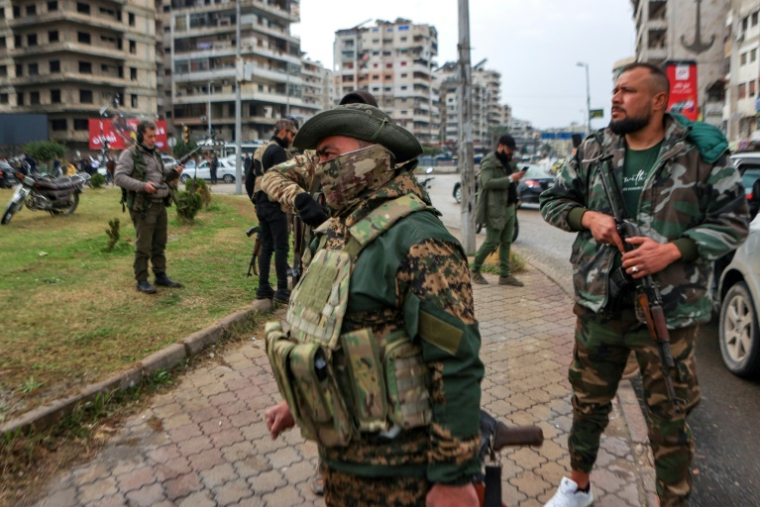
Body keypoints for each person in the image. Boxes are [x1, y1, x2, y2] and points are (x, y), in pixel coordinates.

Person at [539, 62, 750, 507]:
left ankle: (671, 500)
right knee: (587, 403)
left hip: (667, 312)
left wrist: (673, 251)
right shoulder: (594, 149)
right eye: (614, 90)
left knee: (669, 416)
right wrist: (587, 217)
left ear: (658, 101)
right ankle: (578, 485)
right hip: (600, 304)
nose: (615, 98)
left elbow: (733, 222)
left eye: (627, 91)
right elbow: (552, 200)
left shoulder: (698, 153)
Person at [263, 104, 483, 507]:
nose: (318, 168)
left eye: (328, 155)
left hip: (400, 477)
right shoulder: (339, 229)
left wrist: (453, 478)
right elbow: (331, 332)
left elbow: (455, 362)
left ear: (372, 157)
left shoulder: (418, 239)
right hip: (341, 463)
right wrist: (298, 397)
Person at [115, 121, 185, 294]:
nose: (153, 140)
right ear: (139, 136)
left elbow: (161, 175)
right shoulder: (129, 154)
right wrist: (142, 186)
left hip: (160, 205)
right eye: (149, 136)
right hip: (144, 206)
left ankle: (160, 275)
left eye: (155, 136)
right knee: (144, 244)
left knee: (159, 243)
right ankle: (142, 279)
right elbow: (119, 177)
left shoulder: (155, 155)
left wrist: (174, 172)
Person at [248, 119, 298, 305]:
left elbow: (248, 179)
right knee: (281, 246)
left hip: (261, 202)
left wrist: (255, 201)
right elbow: (282, 179)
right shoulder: (278, 151)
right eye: (292, 135)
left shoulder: (260, 150)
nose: (292, 139)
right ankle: (283, 289)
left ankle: (263, 288)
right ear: (283, 132)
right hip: (274, 203)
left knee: (267, 245)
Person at [470, 134, 525, 286]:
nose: (511, 152)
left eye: (513, 150)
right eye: (509, 149)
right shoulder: (489, 162)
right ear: (500, 146)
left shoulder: (508, 162)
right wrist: (509, 179)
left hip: (510, 207)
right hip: (496, 208)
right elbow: (487, 182)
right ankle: (474, 270)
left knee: (506, 242)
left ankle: (505, 275)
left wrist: (517, 175)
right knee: (491, 241)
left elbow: (512, 178)